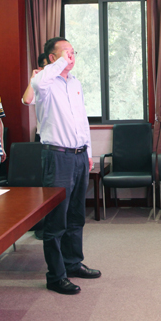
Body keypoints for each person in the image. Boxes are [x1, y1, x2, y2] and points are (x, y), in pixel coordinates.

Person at [32, 37, 100, 295]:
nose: (72, 56)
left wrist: (88, 152)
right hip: (57, 157)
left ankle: (73, 263)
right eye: (66, 52)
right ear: (52, 58)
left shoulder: (75, 83)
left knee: (76, 215)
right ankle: (56, 275)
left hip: (79, 155)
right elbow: (38, 83)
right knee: (56, 219)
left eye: (73, 52)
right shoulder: (45, 82)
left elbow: (82, 121)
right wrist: (59, 63)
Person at [22, 53, 49, 142]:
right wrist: (33, 78)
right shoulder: (39, 86)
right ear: (41, 69)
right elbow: (26, 100)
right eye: (48, 65)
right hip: (43, 135)